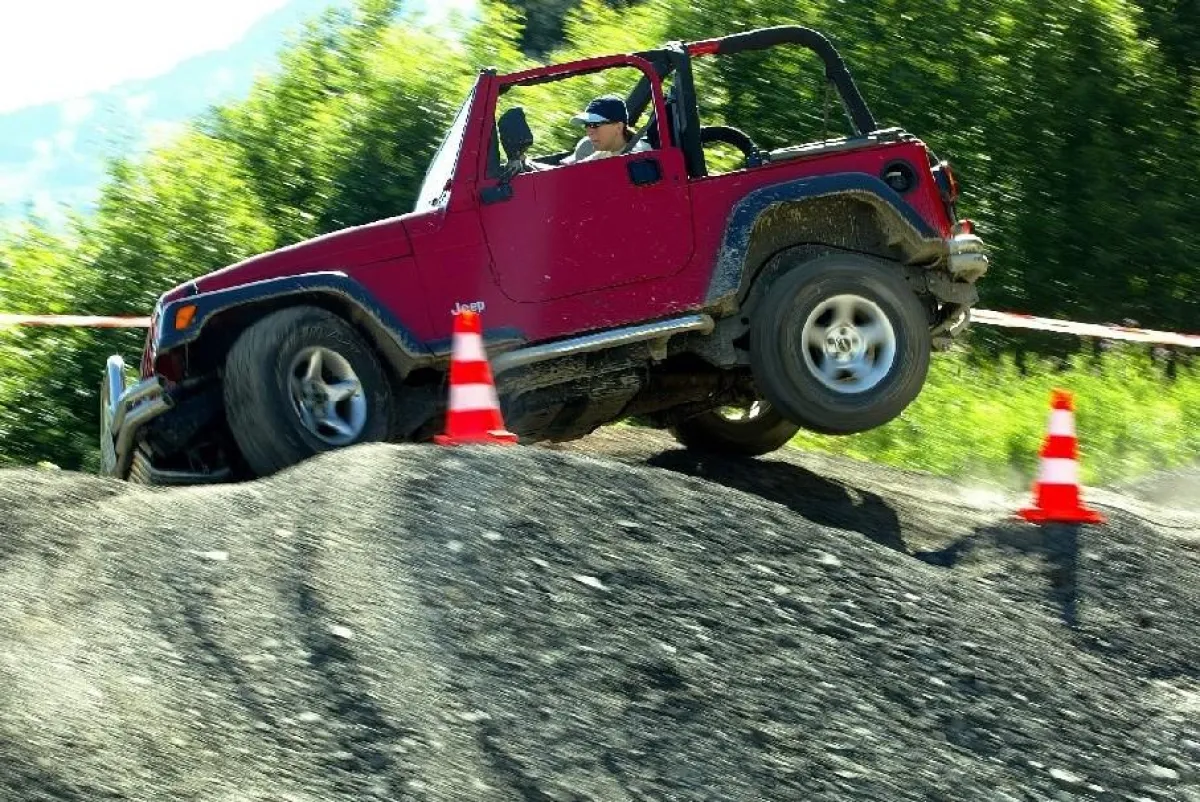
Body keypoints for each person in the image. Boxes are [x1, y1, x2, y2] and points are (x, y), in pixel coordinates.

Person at [562, 94, 652, 164]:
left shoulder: (640, 157)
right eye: (587, 125)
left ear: (618, 127)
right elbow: (579, 168)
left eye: (595, 125)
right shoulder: (607, 151)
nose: (589, 132)